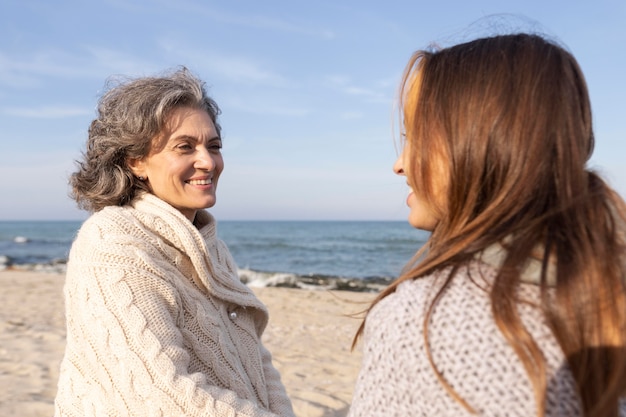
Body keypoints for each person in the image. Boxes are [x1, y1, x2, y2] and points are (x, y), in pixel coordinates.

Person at [348, 33, 626, 417]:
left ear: (481, 144)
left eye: (415, 137)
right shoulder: (604, 284)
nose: (399, 163)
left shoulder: (419, 322)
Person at [54, 67, 295, 417]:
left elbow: (257, 360)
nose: (207, 161)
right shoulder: (113, 244)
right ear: (135, 160)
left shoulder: (210, 248)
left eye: (214, 146)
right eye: (185, 147)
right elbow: (159, 394)